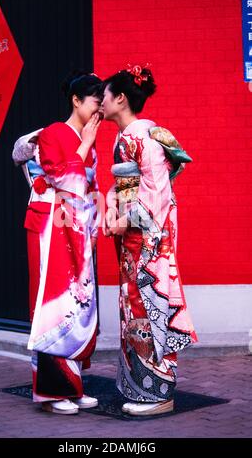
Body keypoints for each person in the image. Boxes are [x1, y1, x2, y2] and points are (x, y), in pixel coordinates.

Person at [102, 64, 197, 416]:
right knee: (131, 308)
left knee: (149, 306)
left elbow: (156, 195)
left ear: (121, 99)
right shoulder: (125, 137)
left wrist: (123, 218)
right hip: (130, 237)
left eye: (106, 96)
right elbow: (120, 185)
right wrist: (111, 208)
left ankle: (159, 393)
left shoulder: (147, 138)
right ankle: (140, 389)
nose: (102, 102)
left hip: (149, 239)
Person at [12, 71, 103, 414]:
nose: (98, 106)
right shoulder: (53, 133)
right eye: (94, 98)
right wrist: (84, 145)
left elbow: (88, 188)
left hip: (75, 227)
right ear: (76, 101)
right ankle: (51, 392)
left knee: (78, 302)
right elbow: (62, 177)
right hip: (51, 226)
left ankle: (72, 386)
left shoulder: (85, 140)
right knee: (54, 301)